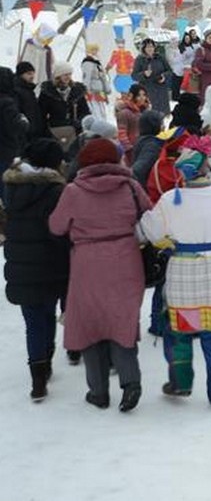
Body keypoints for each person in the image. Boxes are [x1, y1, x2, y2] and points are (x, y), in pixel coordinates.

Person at [139, 142, 211, 409]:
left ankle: (180, 382)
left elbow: (150, 231)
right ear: (206, 168)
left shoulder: (170, 199)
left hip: (183, 271)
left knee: (179, 332)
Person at [49, 138, 147, 412]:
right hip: (126, 259)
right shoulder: (130, 186)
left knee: (90, 325)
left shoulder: (73, 191)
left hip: (87, 263)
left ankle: (98, 392)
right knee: (122, 321)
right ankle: (131, 383)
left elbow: (56, 226)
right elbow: (148, 212)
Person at [3, 139, 70, 401]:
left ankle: (38, 378)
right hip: (50, 262)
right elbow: (59, 229)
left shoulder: (11, 186)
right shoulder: (55, 191)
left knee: (32, 321)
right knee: (47, 313)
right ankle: (47, 361)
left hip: (20, 263)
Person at [39, 61, 90, 152]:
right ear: (58, 76)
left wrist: (78, 122)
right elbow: (41, 114)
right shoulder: (47, 92)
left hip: (75, 131)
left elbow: (85, 112)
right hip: (54, 130)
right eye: (65, 74)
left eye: (70, 74)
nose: (68, 77)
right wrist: (46, 130)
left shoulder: (77, 91)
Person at [0, 67, 30, 200]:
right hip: (6, 149)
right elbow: (17, 126)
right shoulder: (7, 102)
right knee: (5, 184)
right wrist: (24, 120)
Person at [132, 38, 171, 115]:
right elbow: (134, 76)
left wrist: (164, 76)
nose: (150, 49)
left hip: (161, 91)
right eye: (147, 47)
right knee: (150, 116)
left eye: (151, 46)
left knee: (162, 116)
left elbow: (169, 71)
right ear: (144, 48)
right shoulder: (139, 59)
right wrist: (144, 74)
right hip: (147, 91)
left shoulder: (160, 57)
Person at [130, 110, 165, 189]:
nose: (164, 127)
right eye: (161, 124)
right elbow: (138, 169)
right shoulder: (152, 145)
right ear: (154, 125)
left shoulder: (143, 139)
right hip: (148, 189)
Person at [14, 62, 46, 141]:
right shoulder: (17, 91)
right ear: (21, 74)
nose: (32, 76)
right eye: (29, 74)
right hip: (25, 134)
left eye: (33, 73)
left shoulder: (29, 89)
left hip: (34, 132)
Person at [80, 43, 112, 121]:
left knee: (102, 111)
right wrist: (86, 89)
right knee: (96, 111)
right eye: (93, 50)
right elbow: (87, 77)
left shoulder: (97, 62)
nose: (95, 52)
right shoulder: (87, 62)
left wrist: (106, 88)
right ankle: (99, 124)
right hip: (92, 90)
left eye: (96, 50)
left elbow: (103, 76)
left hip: (99, 89)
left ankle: (104, 123)